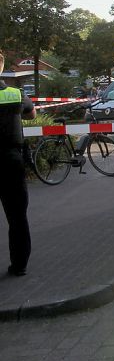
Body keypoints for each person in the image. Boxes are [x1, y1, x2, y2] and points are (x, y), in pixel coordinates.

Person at [0, 51, 35, 276]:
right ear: (1, 67)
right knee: (17, 216)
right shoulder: (15, 93)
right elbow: (31, 115)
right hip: (10, 161)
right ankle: (20, 265)